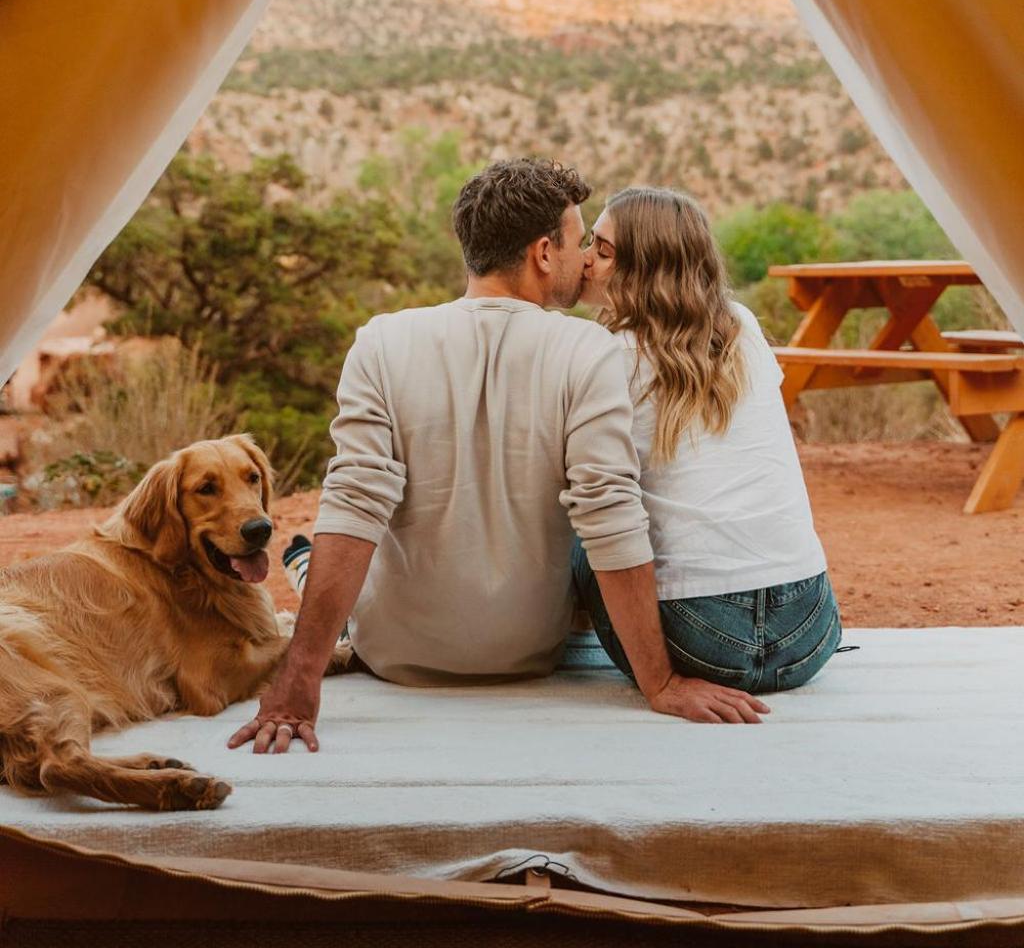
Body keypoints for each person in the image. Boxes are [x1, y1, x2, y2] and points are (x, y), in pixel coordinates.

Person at [229, 159, 768, 754]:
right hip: (528, 652)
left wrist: (299, 678)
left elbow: (354, 506)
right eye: (577, 240)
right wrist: (660, 683)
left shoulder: (381, 341)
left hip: (396, 653)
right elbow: (609, 515)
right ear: (543, 253)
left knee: (337, 543)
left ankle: (306, 566)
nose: (584, 257)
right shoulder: (588, 350)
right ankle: (306, 566)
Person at [576, 186, 841, 695]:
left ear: (644, 269)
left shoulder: (610, 356)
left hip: (700, 637)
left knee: (583, 529)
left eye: (603, 250)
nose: (587, 260)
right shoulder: (743, 326)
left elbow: (601, 505)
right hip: (809, 630)